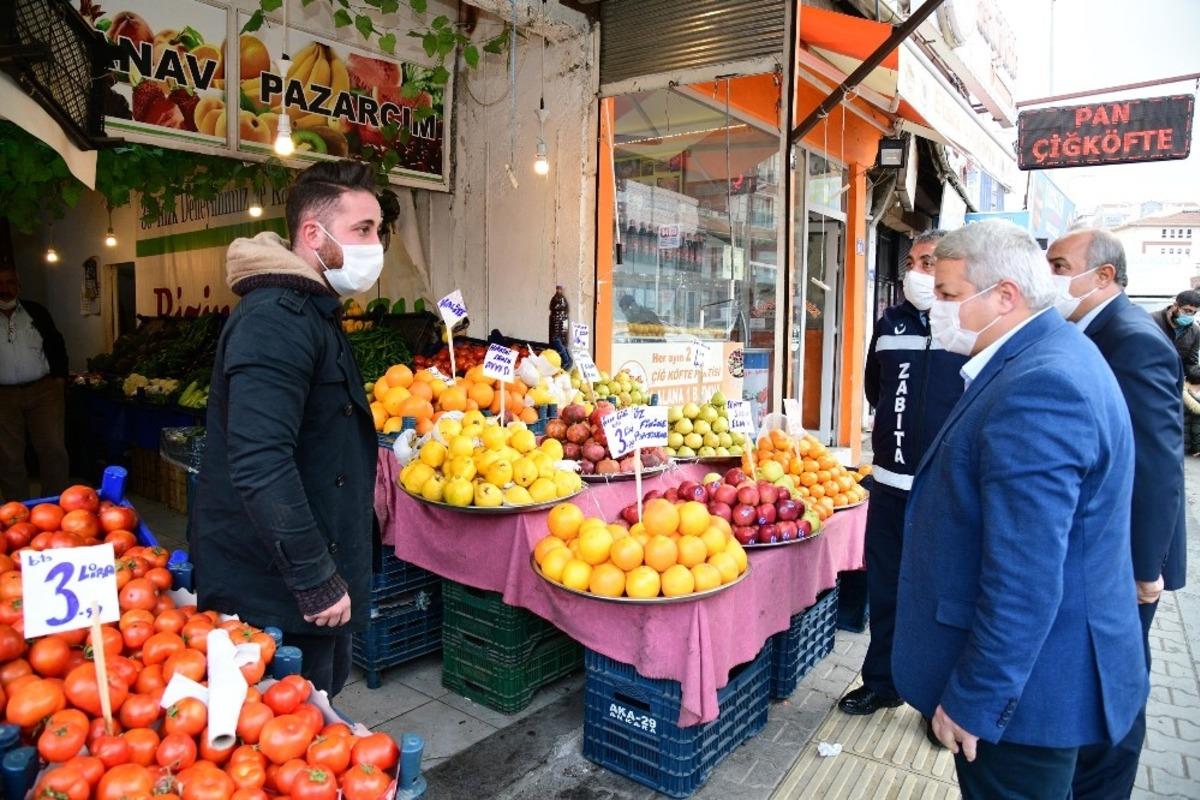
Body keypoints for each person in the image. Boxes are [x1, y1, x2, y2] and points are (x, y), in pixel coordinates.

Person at [893, 220, 1147, 798]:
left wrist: (975, 698)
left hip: (1029, 699)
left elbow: (1025, 576)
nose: (938, 308)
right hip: (1045, 679)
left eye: (949, 294)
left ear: (1005, 295)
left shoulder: (1041, 387)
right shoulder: (1048, 354)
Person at [190, 161, 382, 697]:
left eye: (378, 230)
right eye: (363, 229)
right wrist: (315, 577)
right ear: (313, 235)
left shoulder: (312, 310)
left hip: (311, 569)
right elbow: (260, 460)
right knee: (287, 722)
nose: (375, 245)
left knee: (321, 703)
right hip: (274, 589)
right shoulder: (275, 319)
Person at [1046, 228, 1187, 798]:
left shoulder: (1131, 340)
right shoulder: (1086, 331)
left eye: (1060, 266)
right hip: (1099, 551)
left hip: (1123, 562)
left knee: (1115, 692)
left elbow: (1156, 464)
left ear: (1104, 275)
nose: (1050, 277)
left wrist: (1144, 567)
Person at [838, 230, 967, 743]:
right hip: (890, 484)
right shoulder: (891, 321)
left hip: (945, 490)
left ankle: (937, 700)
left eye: (928, 262)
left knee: (941, 596)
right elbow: (877, 386)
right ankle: (883, 683)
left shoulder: (967, 323)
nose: (916, 272)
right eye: (911, 262)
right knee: (887, 589)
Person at [0, 265, 69, 501]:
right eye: (0, 284)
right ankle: (17, 510)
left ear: (18, 286)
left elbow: (56, 343)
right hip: (3, 396)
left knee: (53, 449)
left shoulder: (36, 312)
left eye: (10, 282)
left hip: (43, 391)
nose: (4, 289)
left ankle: (56, 505)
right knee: (9, 456)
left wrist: (59, 379)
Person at [1152, 289, 1200, 382]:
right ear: (1175, 305)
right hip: (1149, 378)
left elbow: (1190, 364)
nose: (1190, 315)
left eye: (1194, 312)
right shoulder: (1152, 321)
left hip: (1173, 381)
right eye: (1187, 310)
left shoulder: (1195, 332)